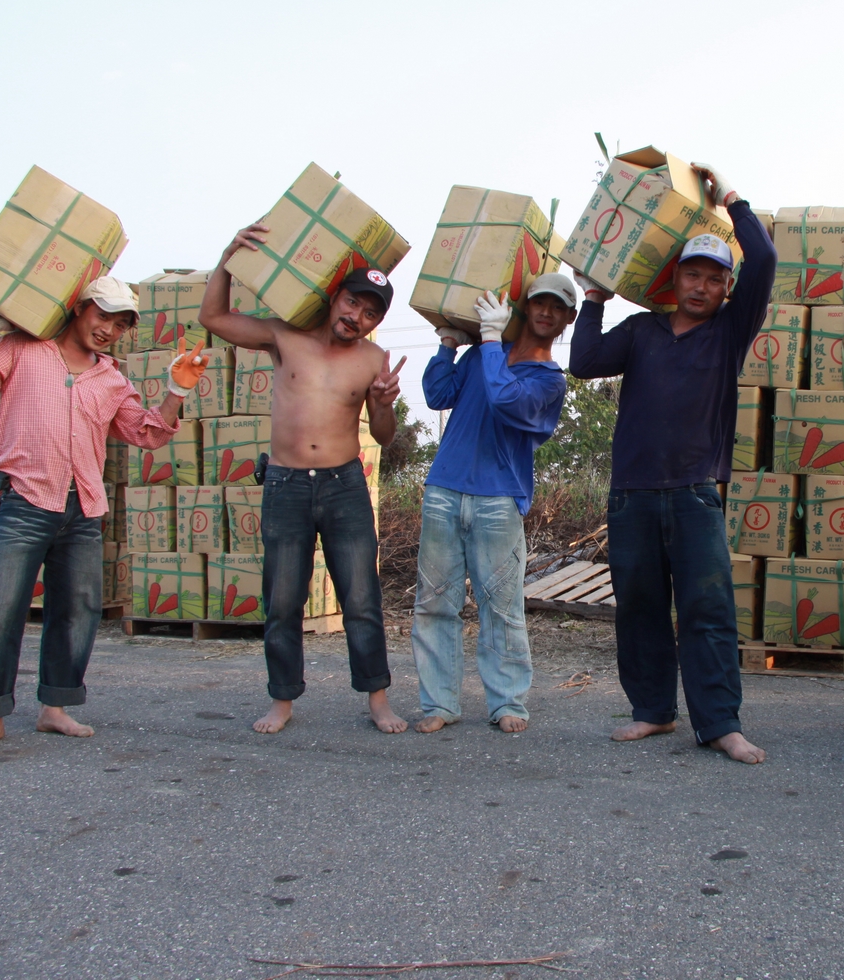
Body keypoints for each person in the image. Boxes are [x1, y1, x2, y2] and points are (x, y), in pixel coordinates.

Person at [570, 163, 776, 764]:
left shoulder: (730, 334)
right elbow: (583, 362)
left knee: (708, 612)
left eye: (715, 278)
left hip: (694, 496)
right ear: (675, 277)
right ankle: (653, 712)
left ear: (727, 291)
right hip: (632, 495)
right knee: (638, 610)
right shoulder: (640, 330)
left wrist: (731, 197)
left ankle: (720, 725)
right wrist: (592, 301)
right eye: (693, 273)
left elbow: (762, 260)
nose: (702, 286)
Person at [0, 278, 207, 751]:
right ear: (79, 308)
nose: (109, 329)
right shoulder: (22, 349)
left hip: (82, 510)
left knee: (78, 612)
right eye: (102, 315)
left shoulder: (111, 379)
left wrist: (176, 389)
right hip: (25, 502)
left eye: (121, 323)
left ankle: (54, 708)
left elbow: (147, 433)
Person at [200, 224, 407, 735]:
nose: (356, 317)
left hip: (344, 486)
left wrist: (383, 405)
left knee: (361, 599)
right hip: (287, 485)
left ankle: (378, 700)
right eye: (353, 303)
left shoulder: (373, 360)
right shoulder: (284, 335)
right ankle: (282, 701)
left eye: (370, 313)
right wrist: (228, 259)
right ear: (335, 296)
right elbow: (214, 318)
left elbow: (382, 437)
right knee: (283, 601)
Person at [411, 274, 576, 733]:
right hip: (444, 489)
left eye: (557, 307)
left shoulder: (548, 381)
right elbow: (437, 394)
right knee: (434, 604)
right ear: (524, 308)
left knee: (501, 608)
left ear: (568, 319)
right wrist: (448, 344)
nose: (546, 312)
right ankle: (439, 705)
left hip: (499, 500)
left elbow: (507, 400)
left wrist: (486, 339)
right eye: (539, 303)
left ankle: (507, 704)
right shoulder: (485, 355)